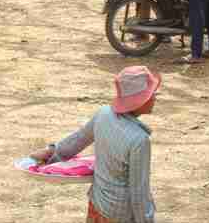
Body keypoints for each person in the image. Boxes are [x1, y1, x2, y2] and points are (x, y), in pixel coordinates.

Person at [28, 66, 162, 223]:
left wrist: (52, 152)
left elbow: (77, 140)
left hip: (97, 204)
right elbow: (139, 192)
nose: (155, 97)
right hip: (121, 215)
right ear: (139, 101)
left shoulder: (104, 114)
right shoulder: (139, 140)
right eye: (152, 93)